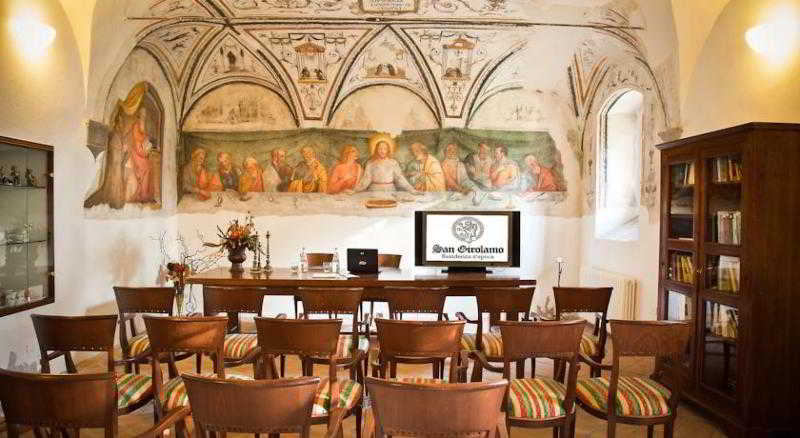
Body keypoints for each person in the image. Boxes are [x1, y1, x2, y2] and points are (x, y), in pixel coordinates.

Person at [350, 135, 418, 193]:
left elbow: (400, 178)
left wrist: (411, 189)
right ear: (376, 150)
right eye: (380, 149)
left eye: (385, 149)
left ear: (388, 150)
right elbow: (366, 180)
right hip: (374, 190)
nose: (382, 151)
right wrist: (355, 190)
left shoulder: (393, 162)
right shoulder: (371, 163)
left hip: (390, 190)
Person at [127, 107, 154, 202]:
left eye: (145, 114)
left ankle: (144, 194)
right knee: (146, 168)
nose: (144, 116)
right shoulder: (136, 124)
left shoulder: (141, 124)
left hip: (140, 150)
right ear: (139, 114)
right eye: (143, 114)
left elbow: (142, 137)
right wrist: (146, 137)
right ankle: (142, 194)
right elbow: (137, 137)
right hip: (136, 152)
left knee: (148, 167)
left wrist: (146, 140)